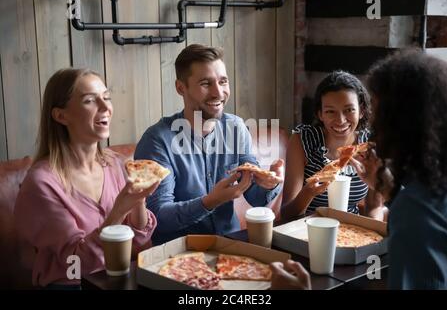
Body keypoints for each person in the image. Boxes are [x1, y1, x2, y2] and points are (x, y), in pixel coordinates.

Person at [14, 68, 159, 288]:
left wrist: (139, 199)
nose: (105, 107)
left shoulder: (115, 164)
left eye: (106, 97)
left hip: (117, 281)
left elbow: (139, 244)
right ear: (61, 116)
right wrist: (119, 210)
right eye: (90, 100)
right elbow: (78, 264)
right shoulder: (41, 184)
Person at [135, 44, 284, 245]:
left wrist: (270, 184)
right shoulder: (157, 141)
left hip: (232, 244)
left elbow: (256, 198)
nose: (218, 93)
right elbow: (158, 217)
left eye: (223, 82)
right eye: (206, 83)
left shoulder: (236, 128)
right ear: (181, 88)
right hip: (180, 256)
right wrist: (210, 201)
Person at [351, 49, 447, 289]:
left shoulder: (415, 210)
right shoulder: (435, 183)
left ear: (400, 121)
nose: (372, 124)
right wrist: (391, 192)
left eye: (378, 112)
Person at [281, 71, 385, 219]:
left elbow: (374, 206)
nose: (341, 120)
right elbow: (286, 214)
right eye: (330, 111)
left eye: (349, 110)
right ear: (320, 114)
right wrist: (309, 192)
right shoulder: (302, 140)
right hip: (309, 230)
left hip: (352, 232)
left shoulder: (370, 145)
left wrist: (373, 236)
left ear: (361, 111)